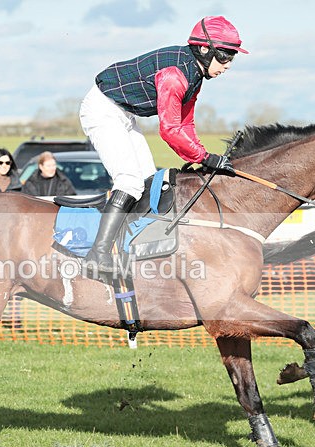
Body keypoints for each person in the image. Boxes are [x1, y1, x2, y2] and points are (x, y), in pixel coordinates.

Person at [79, 15, 248, 273]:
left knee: (149, 181)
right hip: (102, 110)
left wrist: (201, 155)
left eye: (232, 57)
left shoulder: (195, 75)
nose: (228, 65)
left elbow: (185, 124)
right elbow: (169, 130)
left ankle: (128, 247)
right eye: (225, 55)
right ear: (204, 49)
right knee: (129, 182)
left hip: (124, 115)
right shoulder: (175, 76)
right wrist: (204, 158)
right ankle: (97, 254)